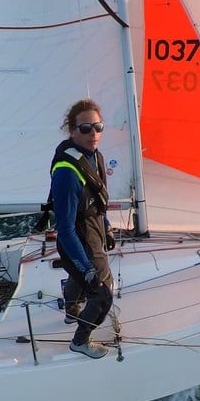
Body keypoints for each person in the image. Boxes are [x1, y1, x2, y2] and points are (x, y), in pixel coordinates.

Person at [50, 99, 117, 359]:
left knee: (78, 281)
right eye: (86, 128)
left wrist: (108, 227)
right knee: (102, 296)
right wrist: (87, 269)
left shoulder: (95, 157)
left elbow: (97, 204)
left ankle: (70, 312)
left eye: (98, 127)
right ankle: (80, 340)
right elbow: (64, 229)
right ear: (72, 130)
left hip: (94, 230)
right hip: (77, 241)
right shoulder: (67, 173)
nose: (94, 134)